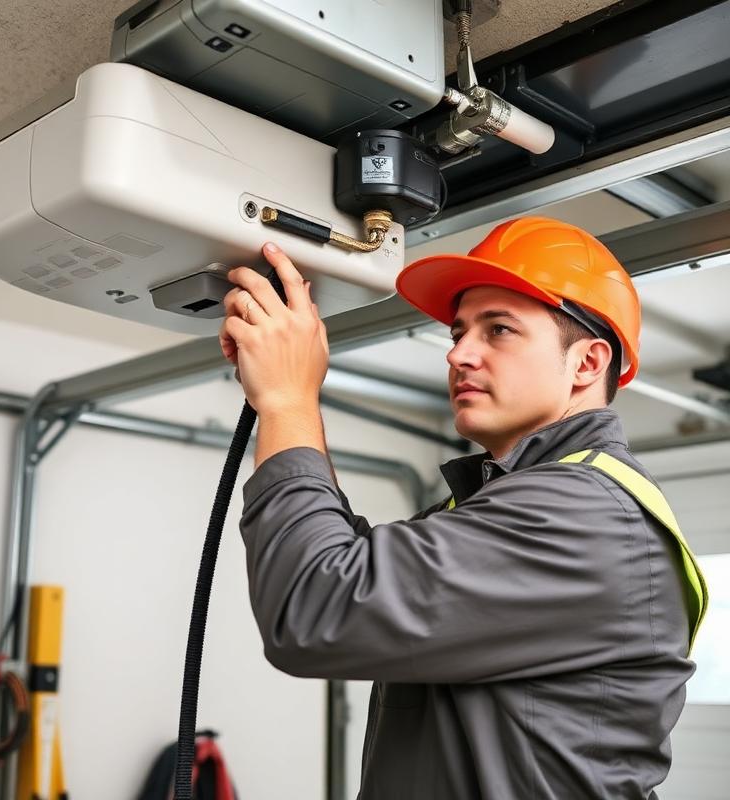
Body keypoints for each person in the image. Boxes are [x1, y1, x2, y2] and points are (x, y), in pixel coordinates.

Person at [218, 217, 707, 799]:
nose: (458, 354)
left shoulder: (584, 514)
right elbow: (344, 566)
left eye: (499, 329)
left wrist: (288, 399)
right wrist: (284, 393)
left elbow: (316, 606)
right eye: (458, 332)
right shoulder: (505, 502)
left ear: (587, 363)